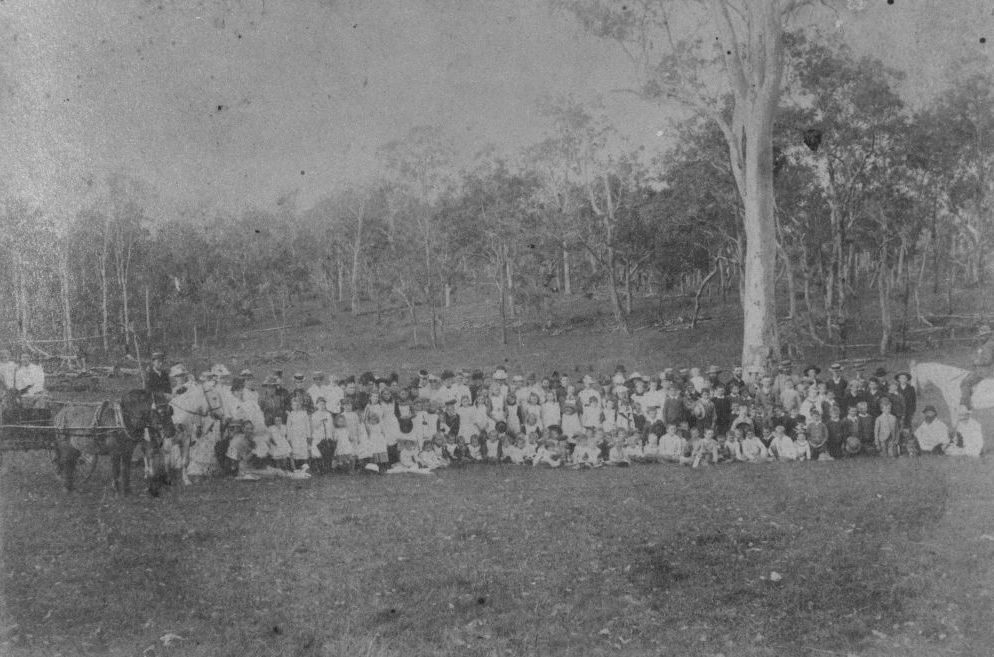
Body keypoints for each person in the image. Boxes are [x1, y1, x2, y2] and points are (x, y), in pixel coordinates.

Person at [961, 324, 994, 409]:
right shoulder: (989, 342)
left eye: (983, 336)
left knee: (965, 383)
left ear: (988, 335)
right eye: (980, 336)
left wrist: (976, 362)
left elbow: (987, 360)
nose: (981, 338)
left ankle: (966, 405)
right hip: (987, 370)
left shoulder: (988, 345)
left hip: (985, 372)